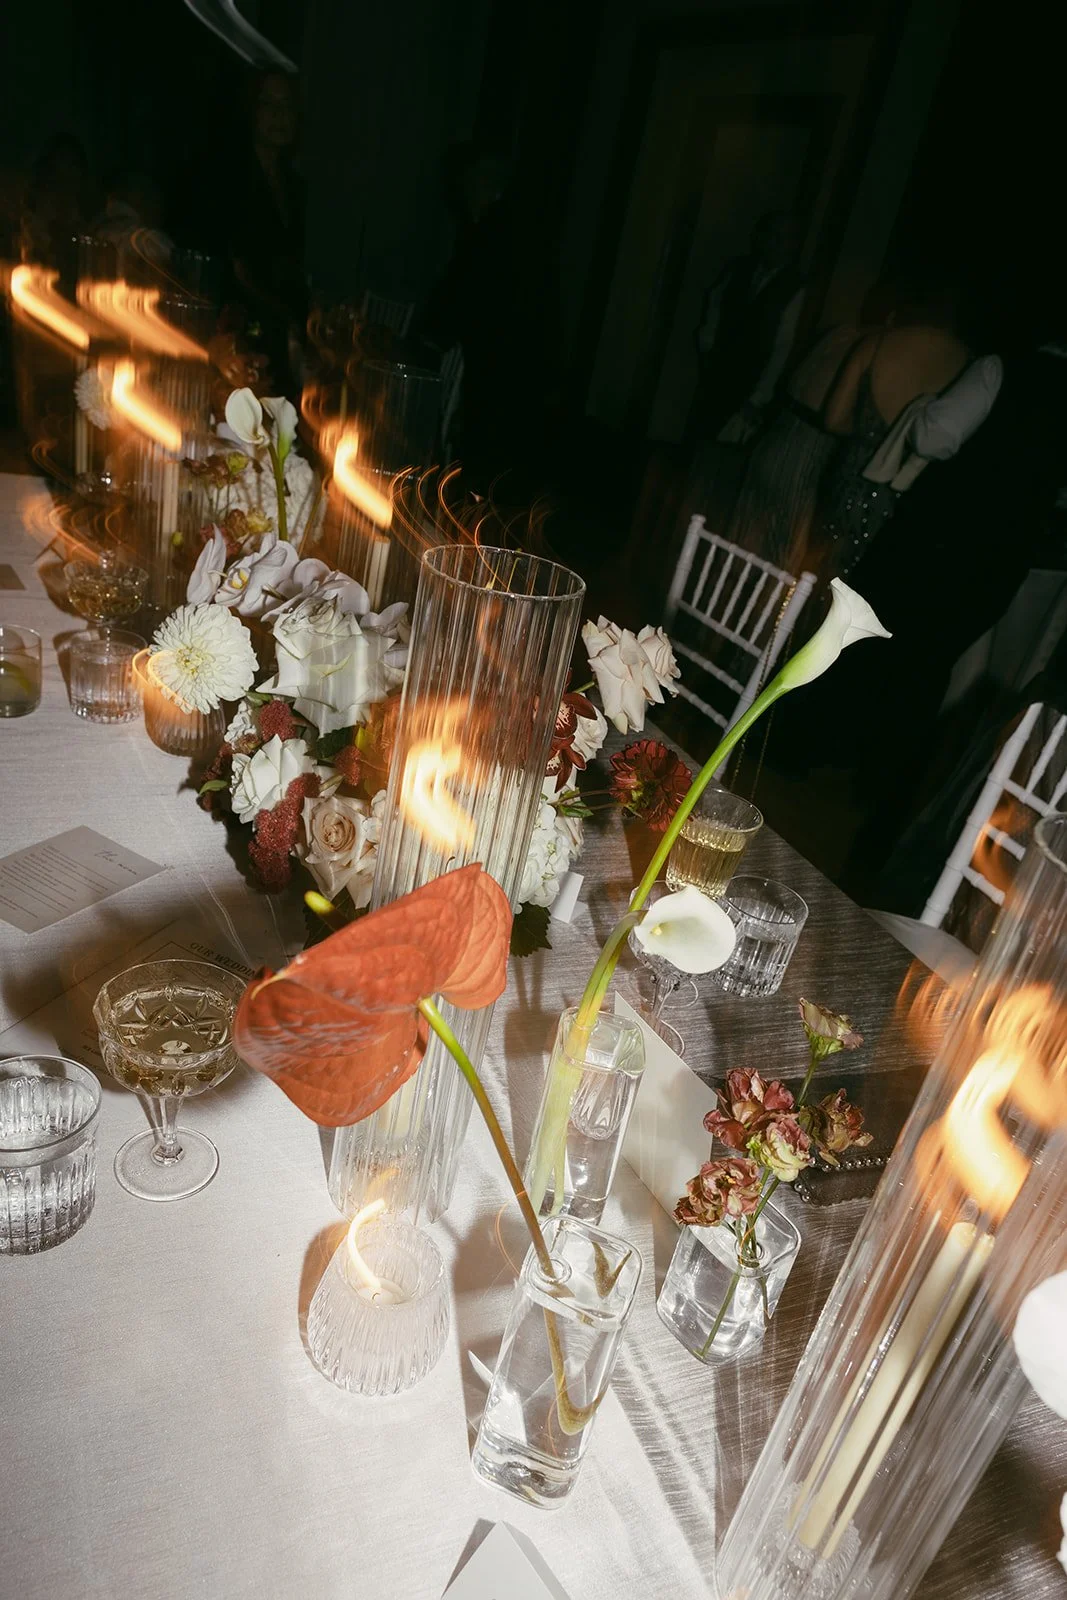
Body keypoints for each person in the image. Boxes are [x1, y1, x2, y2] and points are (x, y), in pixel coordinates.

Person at [812, 289, 970, 576]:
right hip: (912, 494)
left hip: (855, 482)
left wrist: (868, 433)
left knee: (825, 575)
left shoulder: (877, 344)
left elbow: (833, 420)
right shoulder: (969, 363)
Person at [725, 320, 867, 571]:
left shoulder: (840, 332)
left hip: (777, 432)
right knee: (781, 545)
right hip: (805, 444)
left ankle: (728, 593)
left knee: (747, 533)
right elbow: (835, 418)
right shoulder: (864, 345)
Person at [688, 211, 805, 451]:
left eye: (784, 238)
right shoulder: (737, 269)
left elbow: (784, 345)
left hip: (751, 384)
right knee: (698, 440)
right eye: (771, 234)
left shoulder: (797, 287)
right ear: (760, 237)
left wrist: (760, 396)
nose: (775, 243)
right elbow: (713, 310)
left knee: (727, 451)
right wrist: (707, 353)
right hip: (717, 374)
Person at [227, 71, 307, 392]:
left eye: (286, 105)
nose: (278, 115)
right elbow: (236, 267)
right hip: (244, 325)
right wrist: (285, 318)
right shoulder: (235, 177)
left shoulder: (295, 186)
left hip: (283, 326)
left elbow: (291, 263)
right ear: (252, 111)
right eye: (268, 104)